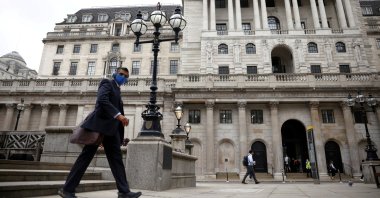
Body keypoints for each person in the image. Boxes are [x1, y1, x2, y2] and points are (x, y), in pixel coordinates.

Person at [58, 67, 141, 198]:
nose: (123, 78)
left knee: (116, 160)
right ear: (115, 74)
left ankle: (124, 191)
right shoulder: (106, 83)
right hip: (99, 127)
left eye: (126, 77)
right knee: (85, 158)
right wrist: (118, 115)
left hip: (111, 131)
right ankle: (67, 189)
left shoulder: (117, 89)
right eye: (121, 74)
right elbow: (102, 100)